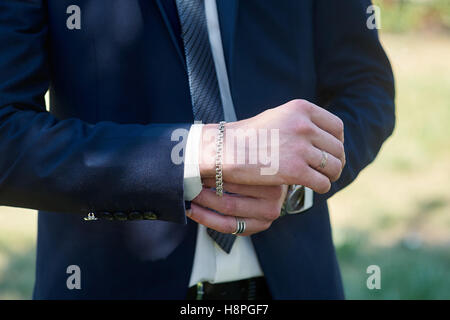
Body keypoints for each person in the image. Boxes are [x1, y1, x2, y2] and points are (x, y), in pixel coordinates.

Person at [0, 0, 395, 299]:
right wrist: (203, 152)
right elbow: (7, 135)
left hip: (294, 281)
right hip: (113, 282)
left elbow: (364, 87)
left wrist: (297, 184)